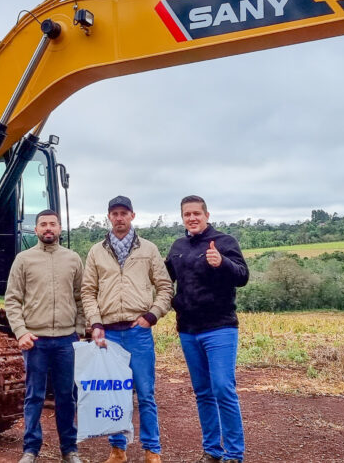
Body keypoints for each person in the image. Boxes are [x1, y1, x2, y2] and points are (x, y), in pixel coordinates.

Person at [82, 195, 173, 463]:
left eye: (124, 213)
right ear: (108, 217)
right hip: (108, 333)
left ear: (132, 215)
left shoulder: (148, 249)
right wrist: (95, 323)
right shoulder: (96, 251)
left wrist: (152, 315)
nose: (119, 218)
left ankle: (152, 450)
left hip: (138, 332)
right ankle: (117, 449)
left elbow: (165, 286)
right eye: (115, 213)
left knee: (146, 393)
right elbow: (88, 291)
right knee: (114, 392)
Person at [164, 195, 249, 463]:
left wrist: (221, 262)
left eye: (196, 213)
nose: (192, 218)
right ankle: (212, 451)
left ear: (207, 215)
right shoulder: (177, 247)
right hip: (188, 329)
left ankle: (234, 454)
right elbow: (163, 279)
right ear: (182, 218)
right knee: (202, 392)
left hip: (219, 327)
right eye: (187, 214)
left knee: (223, 388)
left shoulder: (225, 243)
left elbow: (243, 276)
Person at [4, 209, 86, 463]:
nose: (48, 228)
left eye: (52, 224)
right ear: (36, 229)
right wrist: (21, 332)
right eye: (43, 224)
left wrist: (79, 331)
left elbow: (80, 298)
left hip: (66, 340)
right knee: (34, 396)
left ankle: (69, 449)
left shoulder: (73, 259)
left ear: (60, 228)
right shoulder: (24, 259)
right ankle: (30, 449)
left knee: (66, 396)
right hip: (35, 341)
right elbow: (13, 299)